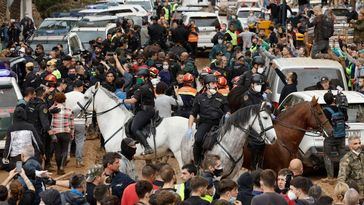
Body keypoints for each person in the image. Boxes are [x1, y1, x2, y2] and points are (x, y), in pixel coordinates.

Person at [187, 74, 229, 166]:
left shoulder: (221, 97)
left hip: (219, 124)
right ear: (207, 85)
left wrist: (227, 116)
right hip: (205, 124)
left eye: (216, 83)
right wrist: (189, 128)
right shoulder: (200, 98)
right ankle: (197, 163)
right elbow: (193, 114)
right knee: (198, 139)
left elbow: (228, 112)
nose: (215, 85)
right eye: (213, 83)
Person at [123, 69, 155, 154]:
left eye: (140, 77)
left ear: (146, 78)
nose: (139, 79)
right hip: (150, 109)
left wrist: (122, 100)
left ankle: (147, 147)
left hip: (145, 111)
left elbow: (133, 101)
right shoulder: (149, 86)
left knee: (134, 128)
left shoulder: (143, 88)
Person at [3, 106, 43, 170]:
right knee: (30, 173)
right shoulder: (30, 127)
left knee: (19, 173)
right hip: (28, 157)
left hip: (17, 159)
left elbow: (8, 146)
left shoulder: (11, 128)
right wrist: (42, 153)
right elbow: (38, 143)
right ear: (24, 115)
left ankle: (18, 175)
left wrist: (5, 158)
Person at [322, 91, 348, 184]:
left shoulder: (325, 110)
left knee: (327, 156)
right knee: (342, 156)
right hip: (341, 135)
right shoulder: (341, 108)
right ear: (333, 99)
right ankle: (342, 176)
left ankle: (330, 177)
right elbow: (346, 118)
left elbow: (324, 123)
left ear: (325, 101)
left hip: (331, 137)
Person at [48, 92, 74, 175]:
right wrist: (72, 133)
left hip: (56, 133)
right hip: (66, 132)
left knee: (57, 151)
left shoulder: (53, 110)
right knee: (65, 150)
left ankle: (59, 168)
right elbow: (72, 124)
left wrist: (54, 104)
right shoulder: (69, 110)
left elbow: (49, 110)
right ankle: (62, 166)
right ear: (64, 100)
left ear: (55, 100)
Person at [65, 80, 85, 167]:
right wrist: (88, 122)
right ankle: (79, 161)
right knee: (79, 141)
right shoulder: (84, 96)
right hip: (80, 121)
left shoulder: (66, 95)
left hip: (68, 121)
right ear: (80, 87)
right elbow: (88, 110)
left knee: (68, 140)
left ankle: (67, 156)